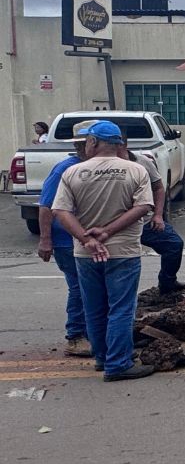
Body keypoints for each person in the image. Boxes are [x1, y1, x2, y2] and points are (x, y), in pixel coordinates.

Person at [50, 120, 155, 382]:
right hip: (123, 251)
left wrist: (87, 238)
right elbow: (143, 207)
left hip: (86, 253)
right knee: (120, 308)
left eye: (87, 140)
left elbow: (60, 211)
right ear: (119, 143)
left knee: (94, 307)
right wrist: (107, 232)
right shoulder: (135, 170)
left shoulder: (73, 172)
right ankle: (118, 363)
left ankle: (102, 358)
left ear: (94, 142)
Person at [35, 120, 96, 358]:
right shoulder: (65, 169)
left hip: (86, 238)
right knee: (79, 288)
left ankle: (89, 333)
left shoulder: (96, 167)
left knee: (89, 287)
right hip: (65, 240)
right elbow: (46, 206)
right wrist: (45, 240)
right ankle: (76, 336)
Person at [114, 135, 185, 293]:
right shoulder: (104, 168)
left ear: (124, 145)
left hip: (145, 221)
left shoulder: (142, 162)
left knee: (174, 244)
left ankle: (167, 284)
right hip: (117, 226)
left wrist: (158, 215)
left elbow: (159, 188)